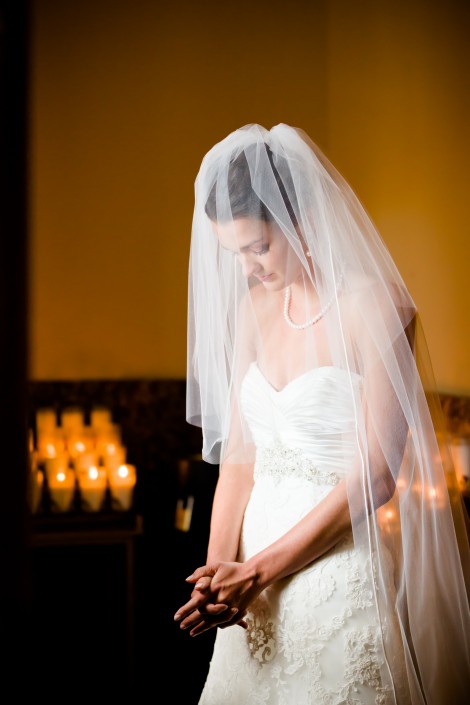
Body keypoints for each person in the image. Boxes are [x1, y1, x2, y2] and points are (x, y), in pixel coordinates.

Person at [174, 123, 470, 705]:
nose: (248, 269)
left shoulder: (379, 308)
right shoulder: (254, 310)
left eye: (258, 247)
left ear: (301, 219)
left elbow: (376, 475)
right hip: (247, 593)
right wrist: (217, 576)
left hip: (334, 576)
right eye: (235, 253)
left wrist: (259, 570)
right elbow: (239, 460)